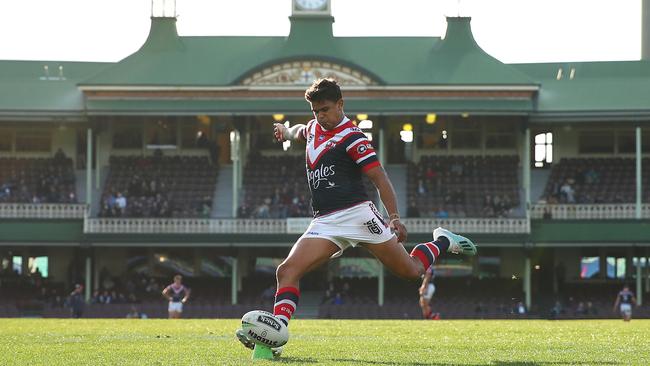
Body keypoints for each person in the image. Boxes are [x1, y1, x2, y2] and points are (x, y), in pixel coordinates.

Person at [235, 78, 477, 357]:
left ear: (340, 104)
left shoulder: (354, 138)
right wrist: (286, 131)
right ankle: (275, 334)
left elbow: (380, 178)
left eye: (325, 109)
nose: (320, 116)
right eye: (315, 111)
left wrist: (394, 217)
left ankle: (443, 241)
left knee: (411, 271)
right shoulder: (314, 127)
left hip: (359, 216)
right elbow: (303, 130)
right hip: (324, 221)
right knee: (287, 271)